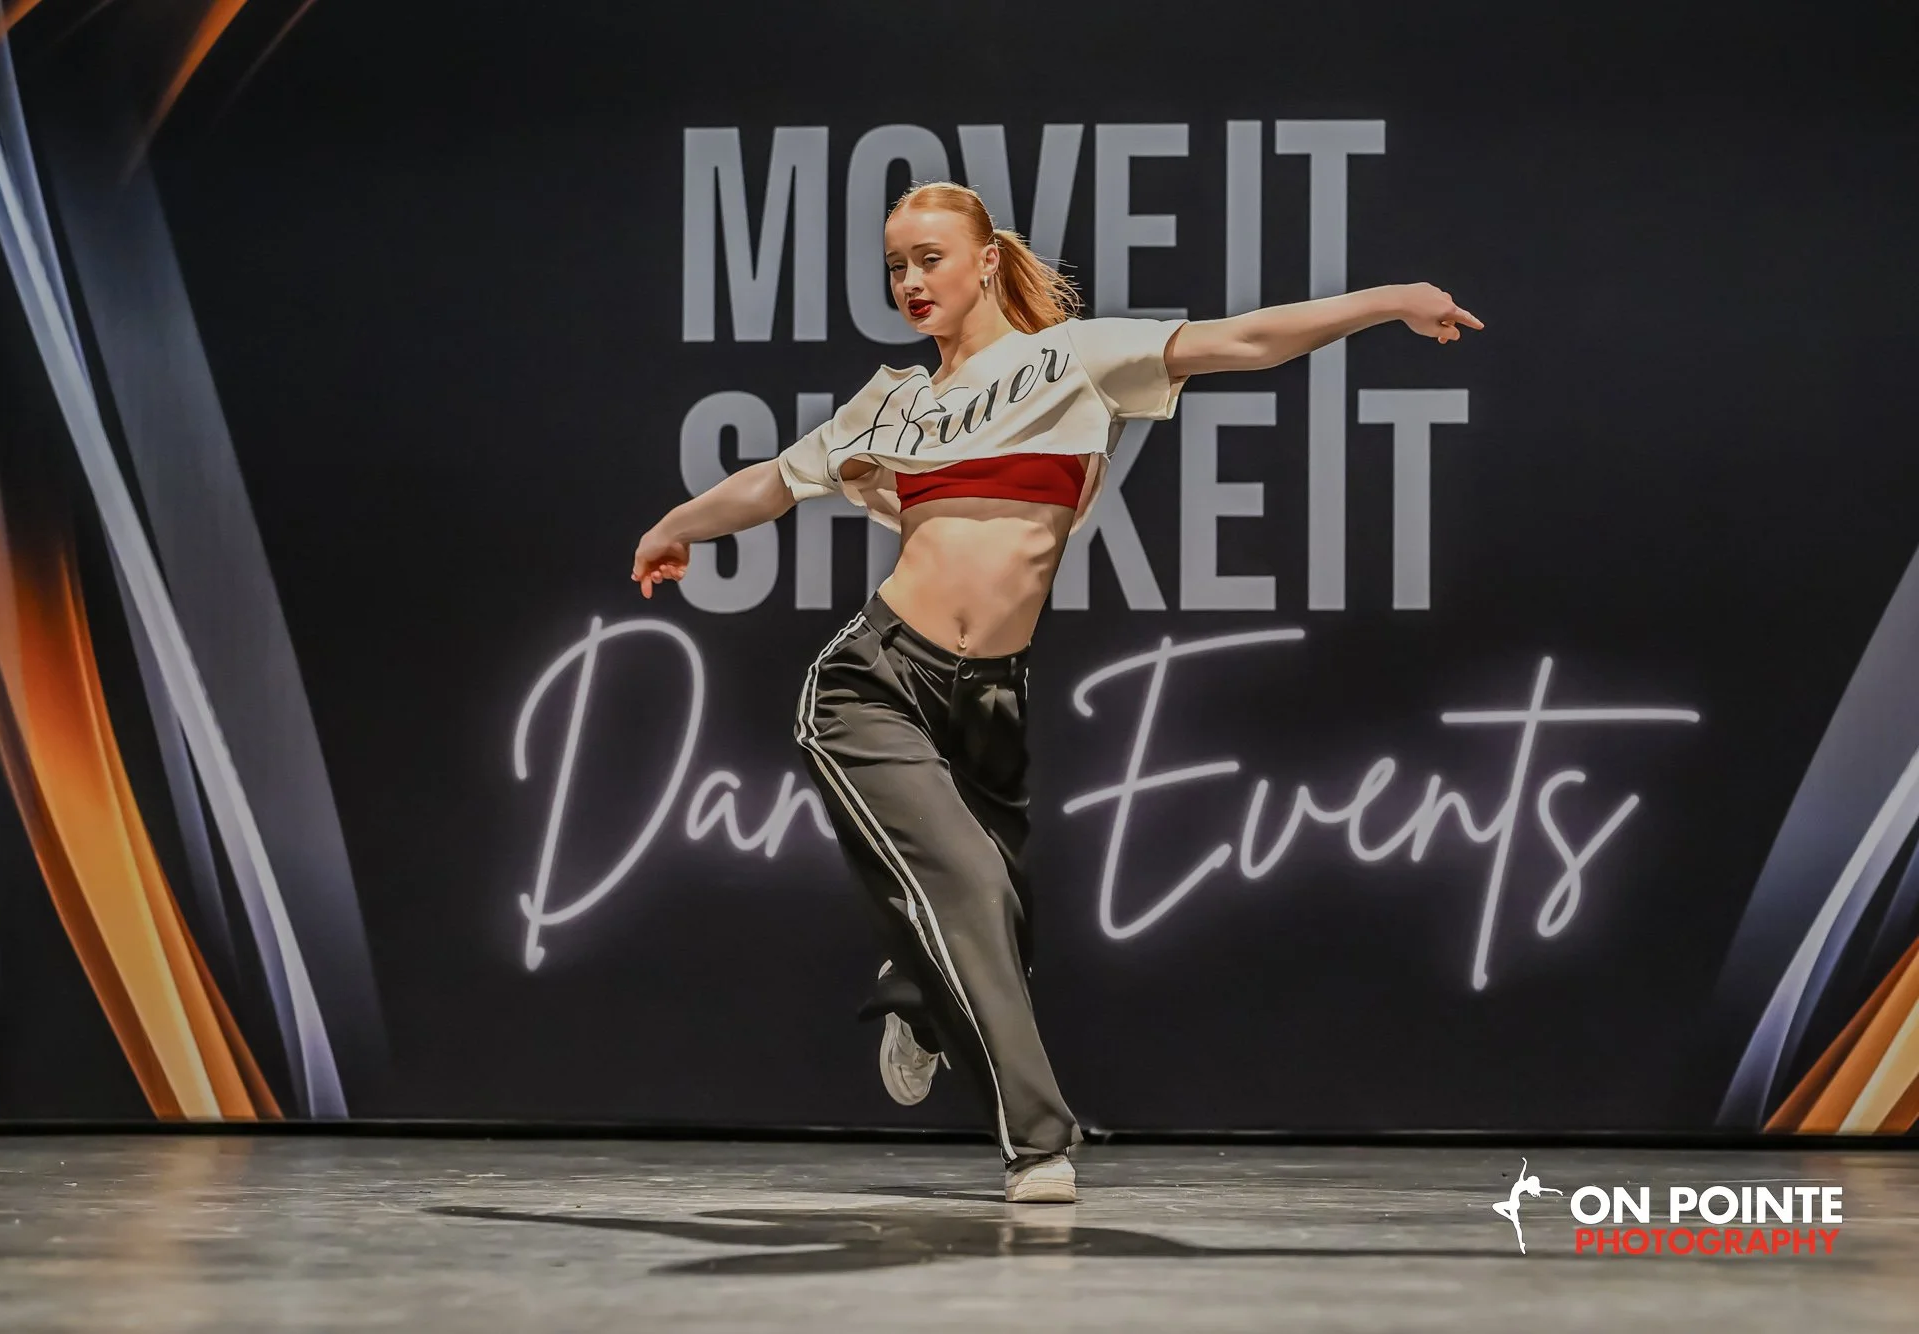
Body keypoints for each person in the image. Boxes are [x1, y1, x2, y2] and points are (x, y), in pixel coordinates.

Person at [633, 181, 1480, 1203]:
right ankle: (1038, 1142)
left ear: (985, 259)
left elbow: (1244, 340)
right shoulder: (891, 402)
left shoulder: (1069, 361)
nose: (909, 280)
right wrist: (674, 525)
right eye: (895, 264)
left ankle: (912, 991)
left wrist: (1389, 297)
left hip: (990, 699)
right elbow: (770, 480)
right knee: (971, 889)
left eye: (929, 258)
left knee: (998, 927)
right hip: (873, 682)